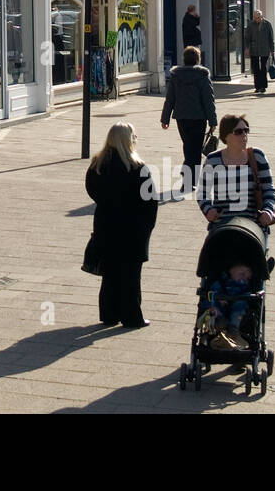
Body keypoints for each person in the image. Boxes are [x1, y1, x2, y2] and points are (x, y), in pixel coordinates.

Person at [84, 123, 158, 328]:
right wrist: (147, 226)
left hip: (106, 224)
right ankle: (131, 316)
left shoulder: (97, 165)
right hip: (132, 228)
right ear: (128, 139)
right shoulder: (138, 168)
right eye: (134, 135)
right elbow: (150, 201)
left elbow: (91, 191)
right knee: (131, 275)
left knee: (110, 273)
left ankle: (109, 314)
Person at [199, 114, 275, 247]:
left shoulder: (257, 156)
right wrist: (208, 209)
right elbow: (202, 192)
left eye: (246, 130)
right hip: (222, 224)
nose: (244, 135)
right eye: (239, 132)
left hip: (253, 224)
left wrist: (268, 211)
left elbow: (268, 188)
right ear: (226, 136)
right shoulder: (213, 160)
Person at [160, 46, 216, 198]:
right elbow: (208, 100)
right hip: (198, 118)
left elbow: (170, 99)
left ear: (184, 60)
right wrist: (213, 121)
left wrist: (165, 119)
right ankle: (190, 179)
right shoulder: (203, 76)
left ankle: (188, 178)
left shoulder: (176, 76)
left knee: (188, 146)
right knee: (196, 149)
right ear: (198, 60)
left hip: (182, 118)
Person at [206, 262, 255, 350]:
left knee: (240, 305)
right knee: (211, 305)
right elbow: (213, 290)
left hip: (237, 307)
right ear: (231, 270)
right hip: (221, 308)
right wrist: (219, 297)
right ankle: (219, 321)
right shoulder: (222, 280)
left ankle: (233, 330)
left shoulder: (244, 286)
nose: (244, 279)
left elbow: (248, 295)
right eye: (242, 274)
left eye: (248, 278)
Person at [243, 10, 275, 95]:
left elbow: (271, 38)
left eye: (258, 17)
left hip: (264, 49)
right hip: (254, 50)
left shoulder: (267, 24)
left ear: (261, 16)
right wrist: (247, 48)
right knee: (256, 68)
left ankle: (263, 86)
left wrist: (272, 50)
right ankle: (257, 86)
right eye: (255, 18)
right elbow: (247, 37)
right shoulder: (251, 25)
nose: (256, 19)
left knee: (263, 68)